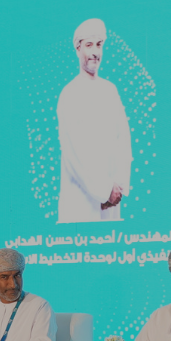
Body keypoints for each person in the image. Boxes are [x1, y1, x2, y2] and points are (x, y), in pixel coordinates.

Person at [56, 18, 133, 224]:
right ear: (78, 49)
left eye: (99, 45)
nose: (95, 52)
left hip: (112, 202)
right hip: (81, 201)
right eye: (89, 45)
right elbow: (75, 153)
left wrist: (117, 188)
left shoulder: (110, 90)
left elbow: (123, 140)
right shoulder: (70, 94)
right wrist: (104, 190)